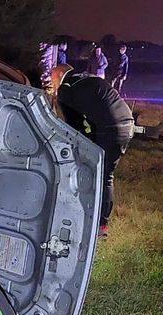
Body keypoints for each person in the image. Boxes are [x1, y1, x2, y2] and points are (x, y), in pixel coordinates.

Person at [50, 64, 134, 238]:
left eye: (52, 80)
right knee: (105, 175)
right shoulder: (89, 77)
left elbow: (75, 128)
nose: (53, 85)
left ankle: (99, 225)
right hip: (127, 124)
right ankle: (95, 219)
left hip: (110, 129)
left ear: (59, 76)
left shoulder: (66, 89)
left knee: (102, 176)